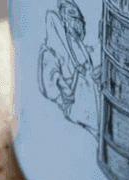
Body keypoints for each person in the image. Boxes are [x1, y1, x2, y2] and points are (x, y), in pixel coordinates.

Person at [37, 0, 100, 135]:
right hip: (75, 102)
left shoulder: (77, 43)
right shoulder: (51, 50)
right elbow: (52, 83)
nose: (78, 22)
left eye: (78, 18)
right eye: (72, 16)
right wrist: (66, 93)